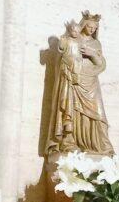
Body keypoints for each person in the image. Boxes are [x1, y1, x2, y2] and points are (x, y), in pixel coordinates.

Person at [46, 11, 114, 155]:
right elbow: (62, 54)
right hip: (73, 80)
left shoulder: (96, 43)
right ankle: (69, 142)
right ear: (83, 26)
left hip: (91, 83)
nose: (92, 30)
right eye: (89, 27)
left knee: (99, 115)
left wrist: (92, 54)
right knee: (70, 110)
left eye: (95, 28)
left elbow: (101, 64)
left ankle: (101, 146)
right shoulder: (72, 39)